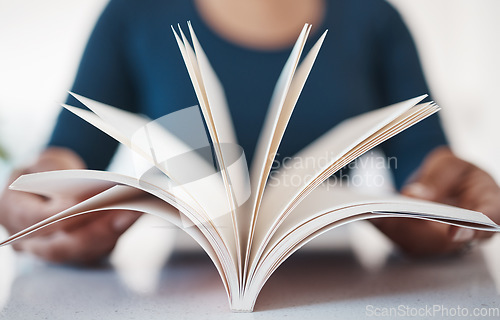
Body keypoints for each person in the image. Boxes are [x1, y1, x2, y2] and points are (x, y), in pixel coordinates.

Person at [1, 0, 499, 264]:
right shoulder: (132, 15)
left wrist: (446, 197)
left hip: (340, 270)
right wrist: (46, 192)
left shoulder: (376, 19)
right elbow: (70, 148)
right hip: (178, 278)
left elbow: (425, 158)